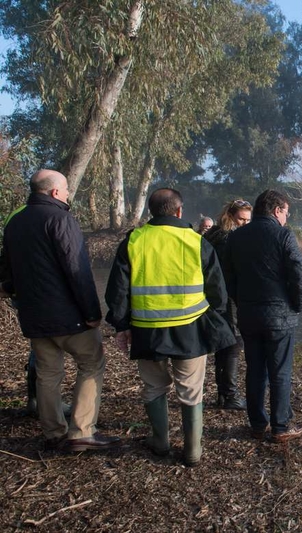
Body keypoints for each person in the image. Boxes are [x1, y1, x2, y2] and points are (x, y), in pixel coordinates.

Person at [105, 188, 236, 466]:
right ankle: (193, 451)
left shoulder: (134, 240)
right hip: (190, 328)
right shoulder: (195, 241)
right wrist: (218, 317)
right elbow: (217, 290)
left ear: (151, 211)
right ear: (179, 210)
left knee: (153, 387)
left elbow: (117, 289)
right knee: (191, 390)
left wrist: (121, 325)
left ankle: (161, 443)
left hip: (146, 329)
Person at [0, 169, 120, 452]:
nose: (68, 195)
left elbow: (7, 269)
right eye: (66, 190)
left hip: (33, 315)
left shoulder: (14, 223)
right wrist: (92, 312)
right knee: (91, 363)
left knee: (48, 373)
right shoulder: (61, 218)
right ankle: (82, 431)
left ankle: (53, 433)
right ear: (55, 192)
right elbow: (77, 270)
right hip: (68, 317)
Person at [224, 189, 302, 444]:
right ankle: (280, 427)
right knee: (280, 371)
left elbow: (229, 278)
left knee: (255, 370)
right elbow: (299, 276)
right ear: (276, 210)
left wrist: (242, 302)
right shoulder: (283, 235)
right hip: (280, 316)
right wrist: (296, 305)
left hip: (249, 314)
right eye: (286, 212)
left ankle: (258, 425)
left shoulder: (236, 237)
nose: (286, 218)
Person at [202, 199, 252, 410]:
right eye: (241, 219)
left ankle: (223, 393)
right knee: (233, 343)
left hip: (213, 296)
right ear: (229, 216)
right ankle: (230, 395)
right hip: (226, 297)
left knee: (224, 344)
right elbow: (228, 271)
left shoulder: (212, 235)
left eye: (248, 220)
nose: (244, 224)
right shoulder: (226, 238)